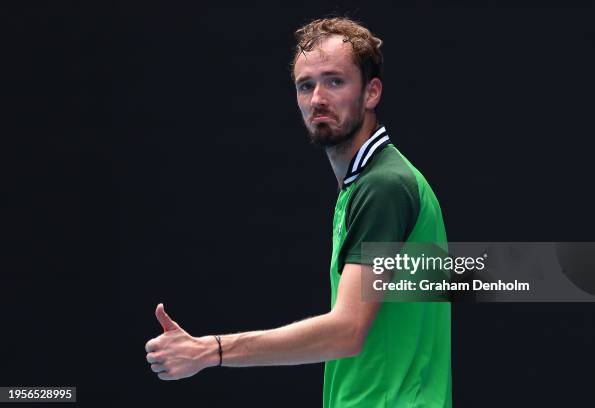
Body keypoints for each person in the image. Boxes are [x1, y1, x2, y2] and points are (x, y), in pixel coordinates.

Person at [145, 17, 452, 407]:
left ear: (371, 92)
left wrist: (212, 350)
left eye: (335, 81)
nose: (317, 98)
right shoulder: (367, 185)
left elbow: (347, 330)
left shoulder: (384, 187)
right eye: (306, 85)